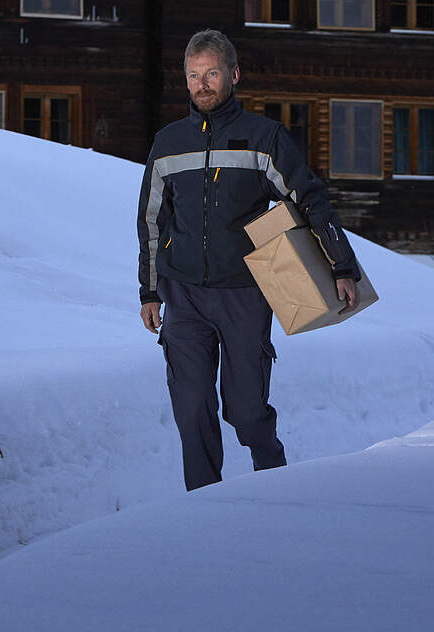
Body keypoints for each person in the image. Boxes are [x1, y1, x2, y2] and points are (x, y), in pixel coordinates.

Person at [137, 29, 360, 491]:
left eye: (211, 73)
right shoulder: (168, 143)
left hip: (244, 292)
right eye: (193, 75)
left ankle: (273, 483)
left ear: (233, 75)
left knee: (246, 409)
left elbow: (309, 199)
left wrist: (341, 266)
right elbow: (151, 221)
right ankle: (204, 503)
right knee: (192, 406)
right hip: (184, 295)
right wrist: (150, 291)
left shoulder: (264, 138)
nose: (202, 84)